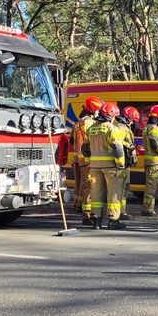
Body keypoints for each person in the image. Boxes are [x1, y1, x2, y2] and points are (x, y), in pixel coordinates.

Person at [82, 101, 126, 230]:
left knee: (96, 192)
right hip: (111, 167)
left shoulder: (91, 128)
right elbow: (117, 148)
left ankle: (96, 220)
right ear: (111, 115)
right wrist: (121, 164)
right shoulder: (112, 128)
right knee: (114, 193)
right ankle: (113, 220)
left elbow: (84, 147)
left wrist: (89, 161)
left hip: (95, 167)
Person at [72, 96, 102, 225]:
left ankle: (87, 212)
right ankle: (87, 215)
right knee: (89, 186)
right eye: (98, 110)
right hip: (87, 159)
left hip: (83, 158)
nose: (99, 112)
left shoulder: (82, 122)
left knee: (86, 185)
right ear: (93, 109)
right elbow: (89, 141)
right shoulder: (88, 123)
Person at [141, 105, 158, 217]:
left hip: (150, 161)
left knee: (152, 186)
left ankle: (148, 208)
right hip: (154, 162)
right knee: (152, 187)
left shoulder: (147, 127)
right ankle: (148, 210)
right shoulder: (154, 128)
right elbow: (154, 143)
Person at [116, 106, 142, 219]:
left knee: (125, 188)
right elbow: (118, 142)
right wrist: (131, 147)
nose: (133, 123)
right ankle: (119, 213)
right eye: (133, 120)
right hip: (122, 163)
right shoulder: (121, 128)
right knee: (121, 189)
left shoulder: (124, 127)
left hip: (125, 163)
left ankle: (122, 211)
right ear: (129, 117)